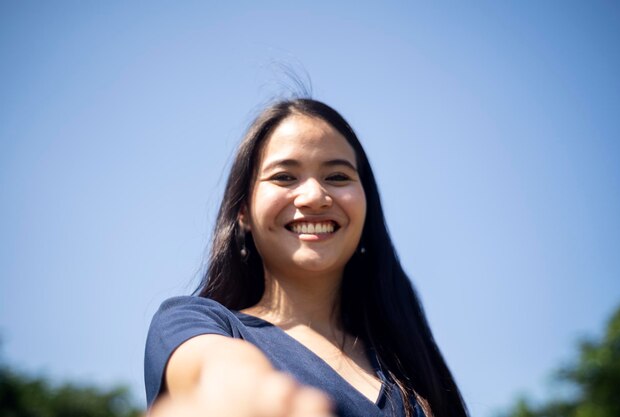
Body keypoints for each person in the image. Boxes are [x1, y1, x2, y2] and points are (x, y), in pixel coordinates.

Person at [144, 99, 469, 417]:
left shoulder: (409, 363)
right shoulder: (194, 322)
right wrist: (245, 387)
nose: (315, 197)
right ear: (243, 212)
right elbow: (211, 368)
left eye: (338, 177)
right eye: (284, 176)